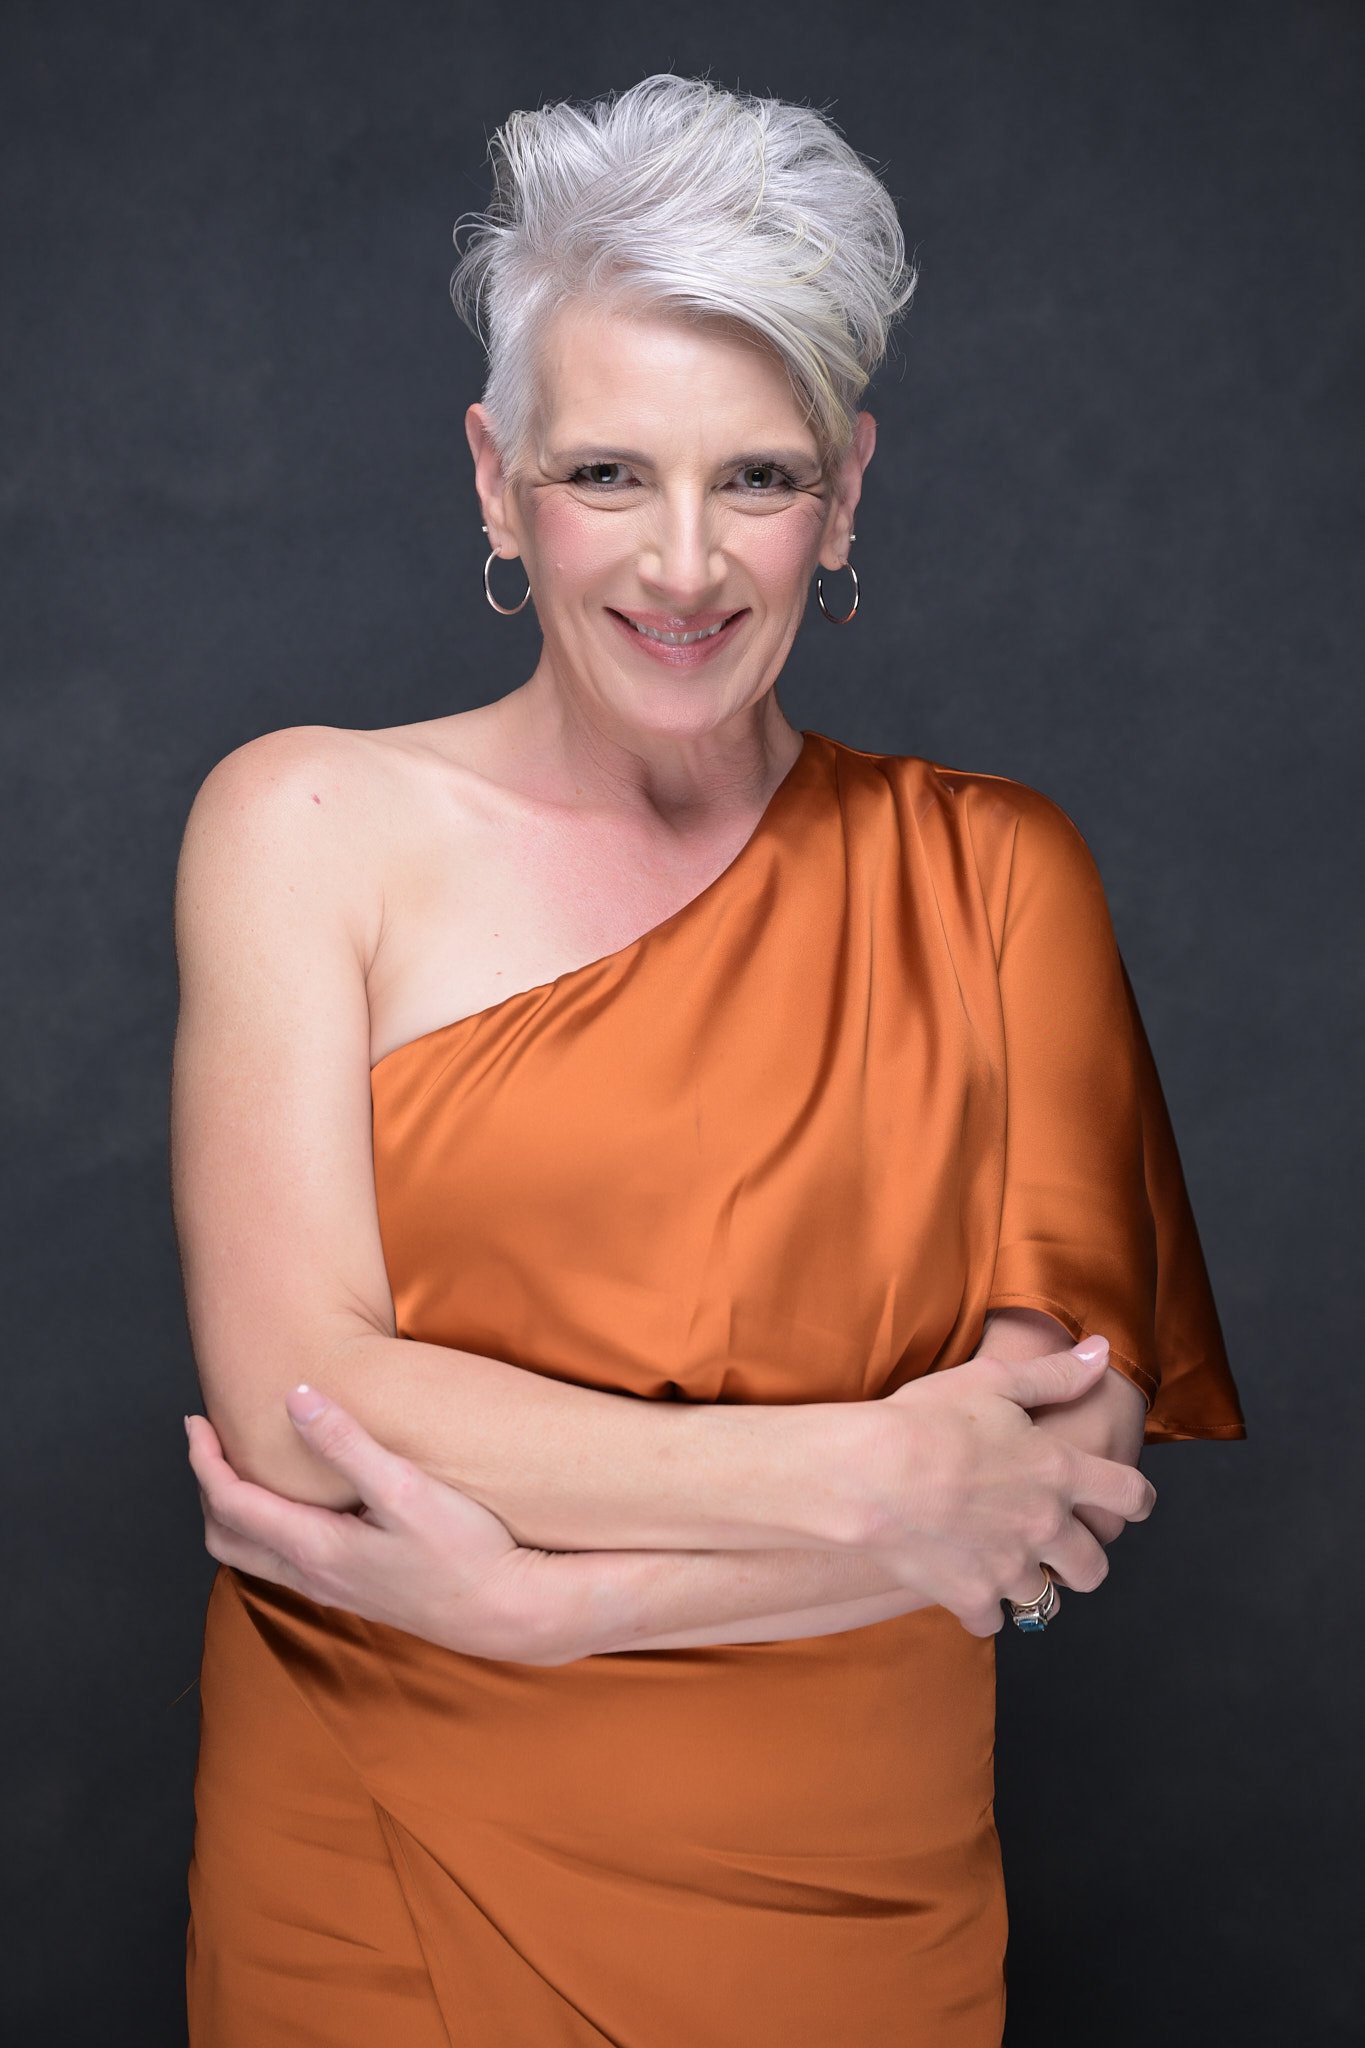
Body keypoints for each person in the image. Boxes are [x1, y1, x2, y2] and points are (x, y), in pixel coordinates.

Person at [173, 72, 1246, 2046]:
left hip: (848, 1883)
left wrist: (559, 1603)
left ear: (843, 488)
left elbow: (1050, 1477)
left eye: (751, 478)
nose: (681, 565)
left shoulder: (994, 872)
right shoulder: (303, 823)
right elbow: (303, 1388)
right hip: (379, 1844)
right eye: (605, 476)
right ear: (493, 479)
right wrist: (866, 1474)